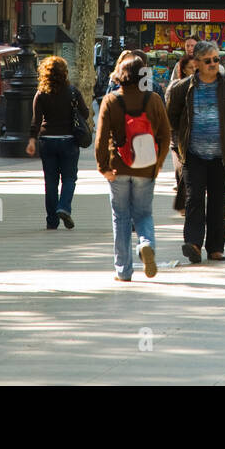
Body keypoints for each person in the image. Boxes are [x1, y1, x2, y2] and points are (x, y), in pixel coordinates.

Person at [95, 54, 172, 280]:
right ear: (143, 74)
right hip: (145, 168)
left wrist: (103, 167)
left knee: (121, 217)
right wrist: (158, 164)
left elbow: (100, 139)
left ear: (120, 74)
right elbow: (166, 136)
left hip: (118, 167)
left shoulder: (110, 100)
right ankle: (145, 245)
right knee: (144, 213)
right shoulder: (154, 100)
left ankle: (123, 270)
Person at [166, 41, 225, 263]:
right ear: (196, 63)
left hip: (221, 154)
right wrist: (180, 146)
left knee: (218, 201)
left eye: (216, 59)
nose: (213, 64)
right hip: (193, 153)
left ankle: (216, 248)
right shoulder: (182, 88)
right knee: (194, 199)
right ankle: (194, 243)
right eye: (207, 60)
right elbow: (172, 119)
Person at [26, 56, 83, 231]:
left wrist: (32, 141)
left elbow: (36, 121)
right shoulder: (73, 91)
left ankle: (52, 221)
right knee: (69, 178)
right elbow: (85, 113)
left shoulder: (41, 94)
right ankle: (64, 207)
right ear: (64, 72)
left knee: (50, 181)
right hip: (69, 141)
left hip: (47, 141)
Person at [166, 52, 199, 217]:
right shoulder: (176, 87)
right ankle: (184, 203)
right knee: (182, 171)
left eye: (196, 67)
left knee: (190, 173)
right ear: (183, 70)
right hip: (178, 138)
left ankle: (187, 203)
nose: (193, 71)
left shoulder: (203, 86)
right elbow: (170, 114)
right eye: (190, 68)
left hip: (196, 137)